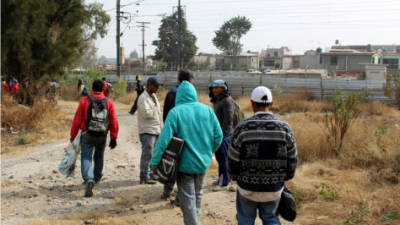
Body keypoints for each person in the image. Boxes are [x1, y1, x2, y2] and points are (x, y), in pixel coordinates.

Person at [151, 81, 223, 225]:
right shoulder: (207, 110)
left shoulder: (175, 112)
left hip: (184, 165)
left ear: (179, 96)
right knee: (197, 195)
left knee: (188, 201)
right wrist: (208, 151)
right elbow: (218, 136)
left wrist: (154, 162)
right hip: (203, 163)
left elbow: (164, 140)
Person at [227, 86, 298, 225]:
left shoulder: (241, 128)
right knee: (271, 218)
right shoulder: (284, 127)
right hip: (274, 189)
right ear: (271, 104)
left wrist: (235, 177)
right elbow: (293, 159)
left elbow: (232, 159)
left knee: (245, 220)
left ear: (252, 103)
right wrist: (285, 178)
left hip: (247, 189)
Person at [70, 79, 119, 197]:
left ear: (92, 88)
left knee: (86, 157)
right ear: (103, 89)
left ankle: (89, 179)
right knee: (99, 156)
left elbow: (77, 120)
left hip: (87, 134)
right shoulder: (109, 103)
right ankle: (96, 178)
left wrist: (73, 136)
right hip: (102, 135)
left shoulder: (84, 100)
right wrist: (114, 137)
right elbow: (113, 121)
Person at [161, 70, 194, 200]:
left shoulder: (170, 93)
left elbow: (165, 115)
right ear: (188, 81)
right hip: (186, 135)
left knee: (170, 163)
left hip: (173, 135)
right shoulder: (188, 95)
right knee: (183, 168)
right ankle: (180, 195)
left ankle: (167, 191)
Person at [137, 77, 162, 184]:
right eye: (156, 86)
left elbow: (158, 112)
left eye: (158, 86)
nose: (157, 88)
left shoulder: (153, 97)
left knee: (155, 154)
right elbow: (146, 114)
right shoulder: (143, 98)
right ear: (149, 85)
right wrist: (155, 108)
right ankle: (144, 176)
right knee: (147, 154)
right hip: (147, 131)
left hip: (155, 129)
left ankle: (152, 174)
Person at [209, 79, 234, 187]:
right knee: (219, 158)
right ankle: (221, 178)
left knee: (224, 159)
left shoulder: (227, 100)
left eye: (216, 87)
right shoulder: (217, 100)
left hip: (225, 135)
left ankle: (224, 182)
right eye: (213, 87)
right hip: (218, 134)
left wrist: (222, 135)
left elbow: (228, 119)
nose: (214, 90)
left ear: (223, 88)